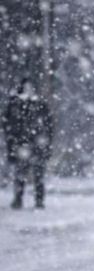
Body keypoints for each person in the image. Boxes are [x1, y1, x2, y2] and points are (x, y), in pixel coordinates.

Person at [2, 78, 53, 209]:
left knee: (38, 173)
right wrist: (14, 139)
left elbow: (48, 124)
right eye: (26, 87)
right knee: (21, 172)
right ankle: (18, 199)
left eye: (31, 87)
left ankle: (39, 200)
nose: (29, 90)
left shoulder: (40, 104)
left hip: (37, 144)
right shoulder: (15, 104)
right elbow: (9, 124)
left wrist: (44, 140)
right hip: (22, 144)